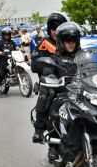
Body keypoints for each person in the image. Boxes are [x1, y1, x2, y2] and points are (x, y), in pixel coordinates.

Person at [32, 22, 82, 158]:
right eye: (67, 40)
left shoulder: (83, 57)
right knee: (54, 110)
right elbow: (48, 71)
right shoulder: (55, 58)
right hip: (64, 94)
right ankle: (52, 144)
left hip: (83, 94)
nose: (71, 43)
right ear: (61, 42)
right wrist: (52, 77)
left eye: (74, 40)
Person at [31, 12, 68, 142]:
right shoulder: (45, 43)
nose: (55, 32)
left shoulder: (70, 42)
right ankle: (39, 129)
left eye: (58, 28)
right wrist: (47, 68)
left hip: (70, 80)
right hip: (51, 81)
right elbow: (34, 64)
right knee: (45, 95)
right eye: (53, 28)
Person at [0, 28, 18, 96]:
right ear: (3, 35)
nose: (7, 36)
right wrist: (0, 52)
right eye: (5, 35)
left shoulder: (12, 42)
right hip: (3, 60)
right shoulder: (0, 42)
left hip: (12, 59)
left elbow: (16, 48)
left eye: (8, 34)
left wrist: (20, 50)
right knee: (2, 75)